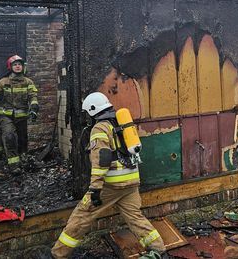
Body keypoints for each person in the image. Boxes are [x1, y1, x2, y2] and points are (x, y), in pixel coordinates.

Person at [51, 92, 167, 259]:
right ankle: (159, 250)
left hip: (112, 185)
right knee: (136, 218)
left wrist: (95, 188)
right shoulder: (120, 122)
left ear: (92, 110)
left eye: (87, 113)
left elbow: (102, 160)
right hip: (131, 182)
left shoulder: (100, 128)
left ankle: (58, 254)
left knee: (81, 217)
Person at [0, 55, 39, 171]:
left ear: (23, 67)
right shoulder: (2, 82)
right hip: (5, 116)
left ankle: (23, 159)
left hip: (22, 116)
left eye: (19, 64)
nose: (18, 66)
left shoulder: (28, 82)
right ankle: (14, 166)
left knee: (23, 139)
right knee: (9, 136)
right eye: (15, 64)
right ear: (10, 67)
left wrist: (34, 108)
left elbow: (33, 96)